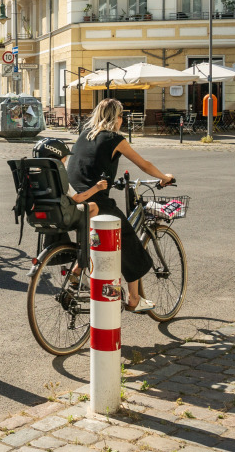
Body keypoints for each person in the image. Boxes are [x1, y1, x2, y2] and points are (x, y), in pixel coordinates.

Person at [67, 98, 175, 313]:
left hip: (75, 198)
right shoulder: (114, 138)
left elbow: (86, 166)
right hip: (96, 199)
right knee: (129, 242)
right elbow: (143, 164)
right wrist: (164, 177)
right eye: (121, 116)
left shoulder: (83, 135)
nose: (122, 120)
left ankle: (77, 271)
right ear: (116, 117)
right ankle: (135, 299)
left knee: (98, 240)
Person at [31, 138, 105, 219]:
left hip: (34, 212)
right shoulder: (57, 176)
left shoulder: (32, 175)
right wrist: (97, 187)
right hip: (61, 214)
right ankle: (85, 231)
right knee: (93, 206)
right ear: (56, 158)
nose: (64, 164)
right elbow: (78, 199)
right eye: (64, 160)